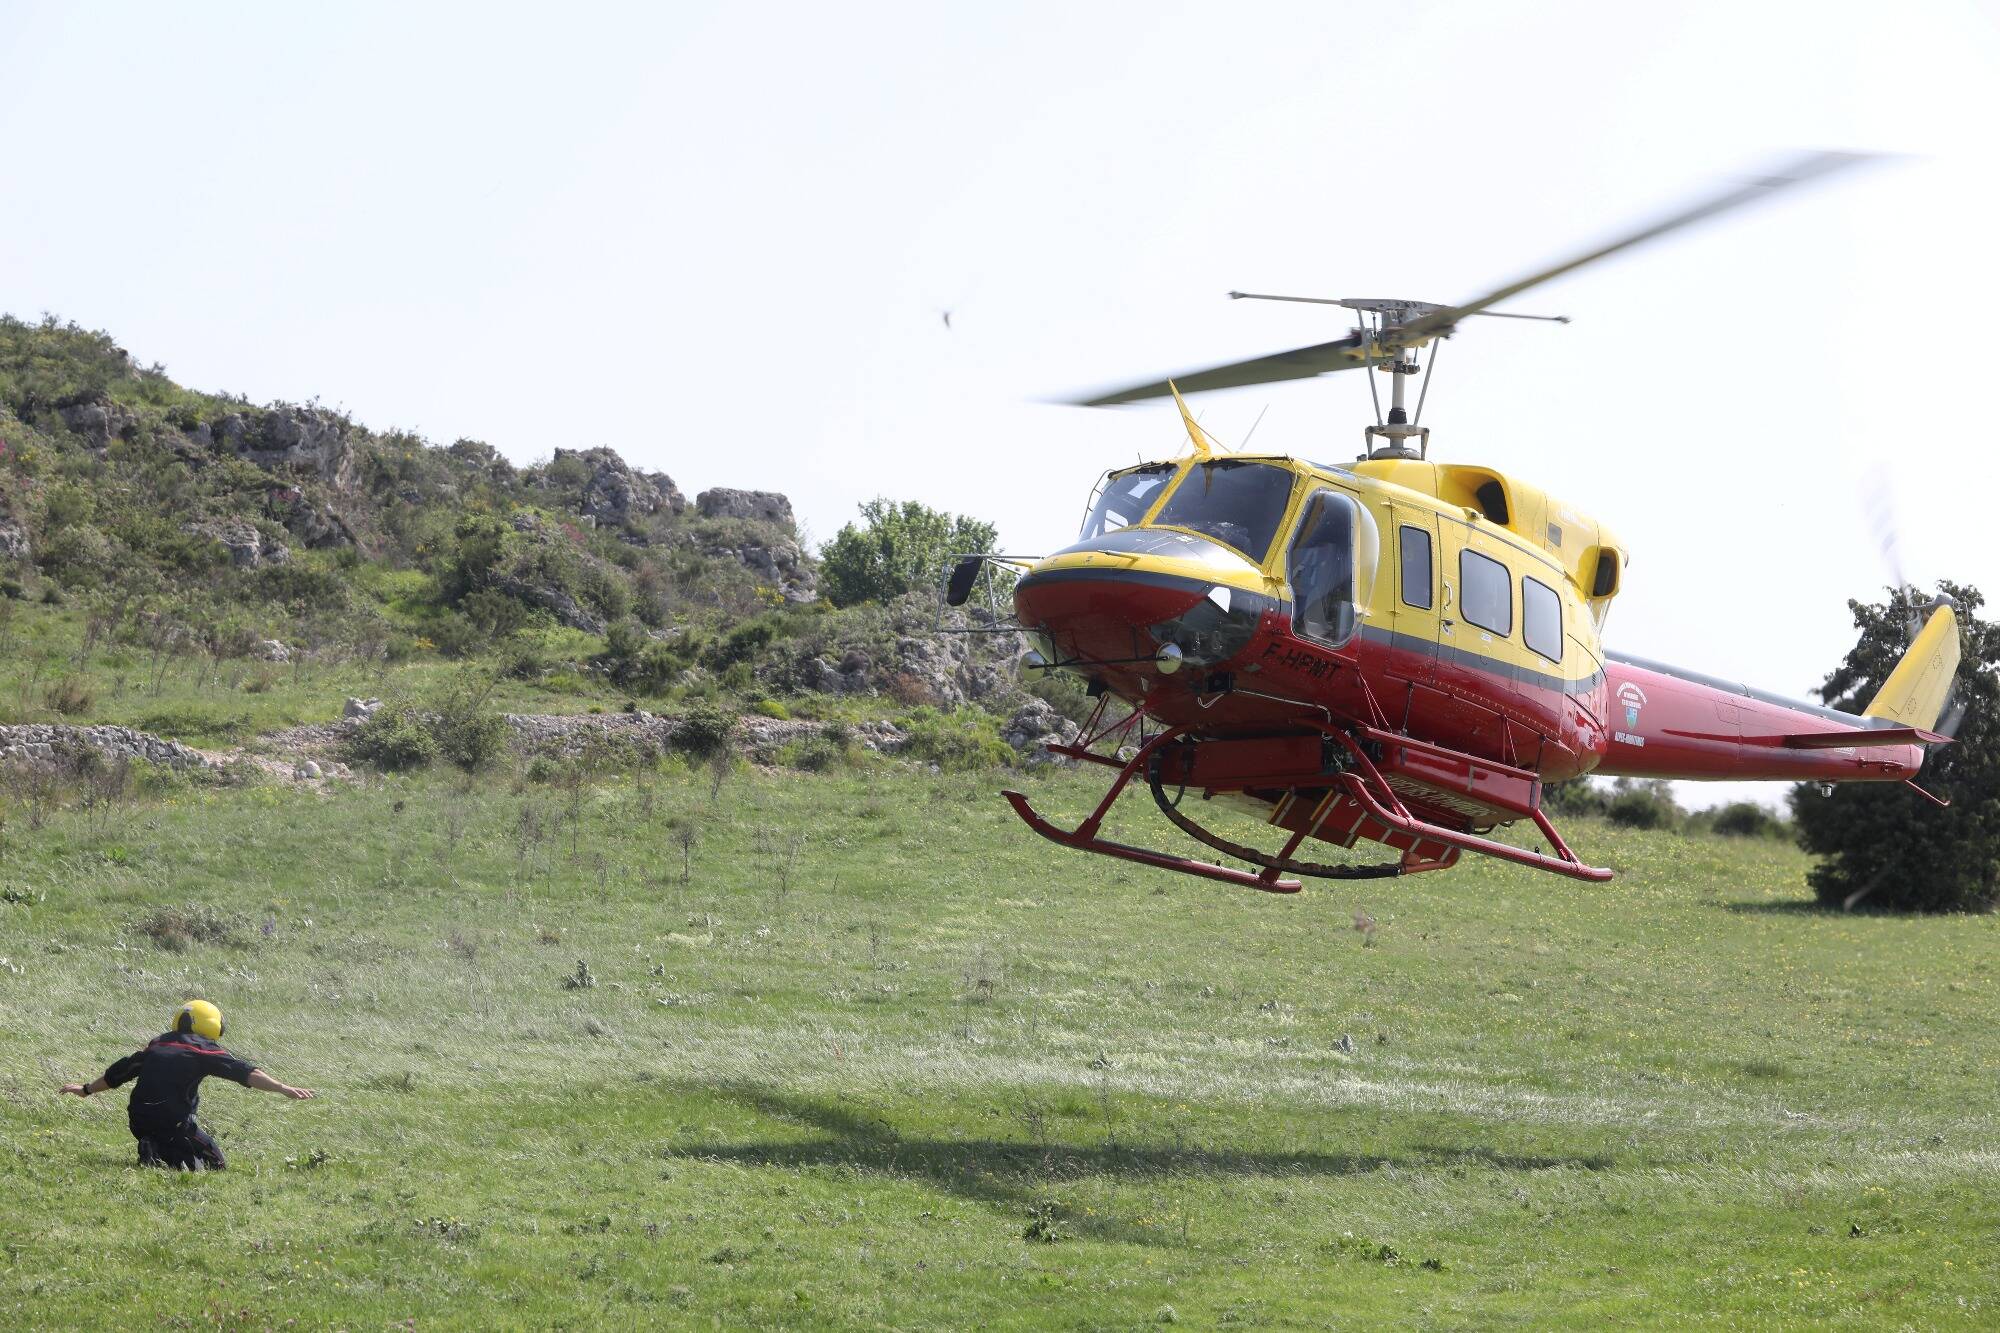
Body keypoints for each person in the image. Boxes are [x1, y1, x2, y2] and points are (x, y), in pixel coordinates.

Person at [59, 999, 315, 1170]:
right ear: (211, 1025)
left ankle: (152, 1146)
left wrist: (86, 1089)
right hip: (175, 1123)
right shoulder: (203, 1049)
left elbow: (120, 1072)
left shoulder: (157, 1044)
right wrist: (281, 1087)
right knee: (215, 1164)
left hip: (138, 1121)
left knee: (172, 1154)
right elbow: (244, 1072)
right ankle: (157, 1148)